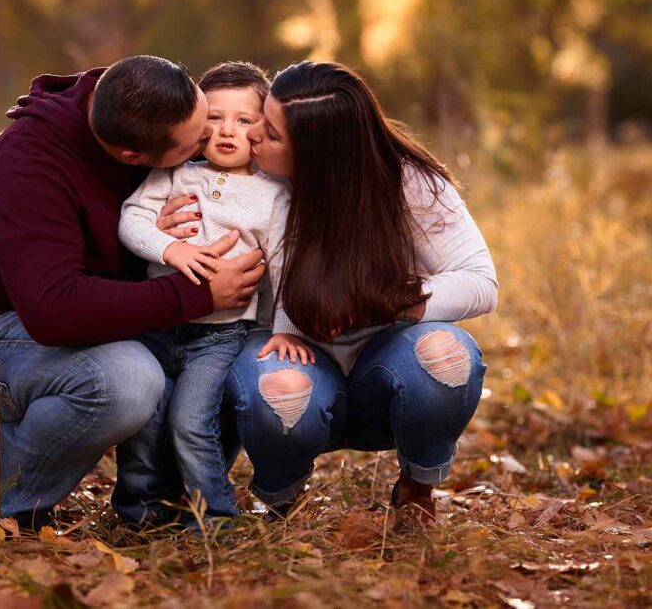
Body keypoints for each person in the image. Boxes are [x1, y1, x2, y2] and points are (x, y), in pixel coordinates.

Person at [0, 55, 265, 531]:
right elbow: (55, 311)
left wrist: (160, 240)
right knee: (127, 382)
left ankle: (169, 508)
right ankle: (6, 501)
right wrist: (199, 295)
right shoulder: (27, 168)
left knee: (223, 357)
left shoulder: (141, 103)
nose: (206, 146)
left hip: (96, 321)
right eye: (194, 144)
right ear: (133, 157)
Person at [213, 61, 499, 527]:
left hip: (384, 360)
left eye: (273, 134)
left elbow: (480, 281)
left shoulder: (408, 182)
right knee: (282, 392)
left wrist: (383, 301)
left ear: (320, 155)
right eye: (261, 119)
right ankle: (283, 498)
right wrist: (169, 237)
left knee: (447, 356)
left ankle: (417, 487)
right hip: (287, 357)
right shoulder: (240, 178)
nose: (254, 136)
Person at [116, 62, 310, 522]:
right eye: (215, 117)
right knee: (144, 422)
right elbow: (132, 219)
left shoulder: (273, 194)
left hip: (220, 336)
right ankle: (138, 511)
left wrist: (285, 327)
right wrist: (170, 250)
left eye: (244, 120)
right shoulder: (174, 174)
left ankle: (212, 516)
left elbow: (283, 265)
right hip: (157, 325)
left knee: (190, 421)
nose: (227, 131)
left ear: (263, 126)